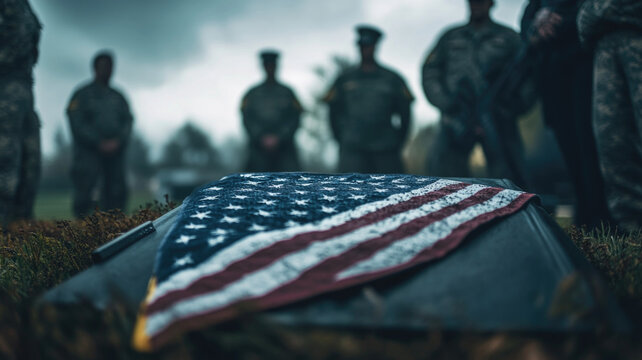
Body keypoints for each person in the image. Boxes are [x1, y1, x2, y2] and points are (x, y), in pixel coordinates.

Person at [422, 0, 535, 180]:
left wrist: (515, 106)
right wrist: (446, 103)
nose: (476, 5)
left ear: (491, 4)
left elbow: (528, 73)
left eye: (481, 2)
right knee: (444, 177)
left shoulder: (509, 37)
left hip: (498, 118)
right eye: (472, 2)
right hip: (456, 117)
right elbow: (430, 71)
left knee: (510, 177)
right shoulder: (451, 36)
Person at [521, 0, 610, 228]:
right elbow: (526, 22)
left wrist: (557, 21)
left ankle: (603, 222)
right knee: (572, 156)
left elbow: (598, 13)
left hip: (588, 75)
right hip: (554, 82)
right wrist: (536, 25)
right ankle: (586, 221)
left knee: (594, 154)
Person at [577, 0, 642, 232]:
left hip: (636, 33)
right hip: (604, 45)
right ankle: (632, 233)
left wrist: (598, 11)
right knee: (612, 143)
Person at [324, 25, 414, 174]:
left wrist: (396, 142)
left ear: (375, 47)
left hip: (385, 150)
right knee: (348, 192)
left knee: (393, 192)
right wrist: (343, 139)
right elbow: (333, 113)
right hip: (353, 150)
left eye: (369, 46)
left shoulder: (392, 78)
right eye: (362, 46)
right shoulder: (344, 79)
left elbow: (406, 114)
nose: (365, 50)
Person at [66, 51, 133, 218]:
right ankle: (82, 236)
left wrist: (118, 141)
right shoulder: (81, 95)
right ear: (95, 68)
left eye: (110, 67)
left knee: (116, 196)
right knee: (84, 196)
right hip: (88, 157)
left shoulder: (118, 97)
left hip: (115, 157)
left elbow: (128, 121)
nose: (108, 70)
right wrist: (98, 142)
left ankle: (116, 231)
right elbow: (76, 122)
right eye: (103, 66)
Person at [0, 0, 42, 225]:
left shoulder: (24, 5)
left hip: (24, 92)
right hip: (4, 94)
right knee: (5, 166)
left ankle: (20, 236)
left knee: (30, 168)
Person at [241, 50, 302, 172]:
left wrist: (279, 137)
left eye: (272, 65)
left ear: (276, 66)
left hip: (285, 151)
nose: (270, 68)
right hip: (258, 151)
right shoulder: (252, 94)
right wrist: (260, 136)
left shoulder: (288, 92)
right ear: (263, 67)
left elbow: (295, 117)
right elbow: (247, 117)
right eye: (267, 65)